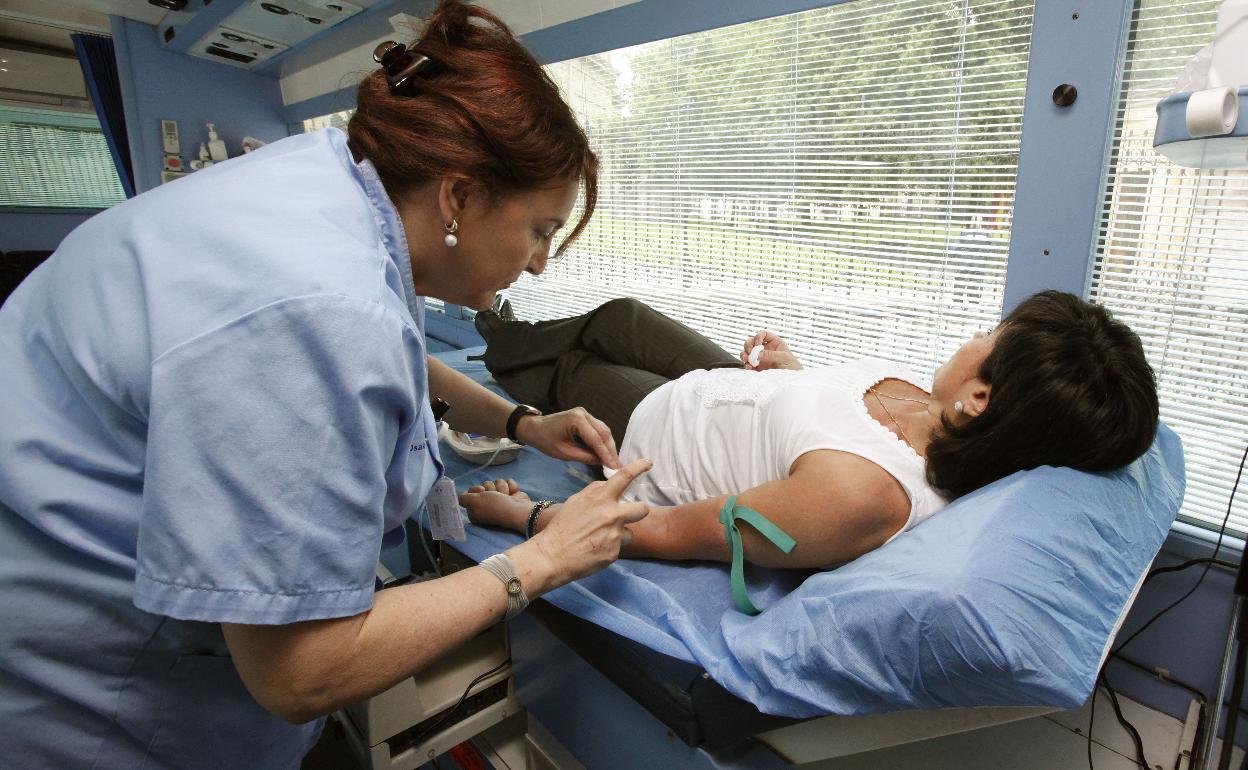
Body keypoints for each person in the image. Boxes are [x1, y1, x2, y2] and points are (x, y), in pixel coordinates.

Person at [0, 3, 652, 767]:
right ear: (460, 196)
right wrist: (543, 562)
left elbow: (395, 347)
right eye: (541, 230)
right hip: (94, 694)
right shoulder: (319, 302)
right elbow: (300, 672)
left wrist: (521, 424)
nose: (542, 262)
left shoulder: (327, 185)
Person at [461, 292, 1160, 581]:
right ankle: (503, 324)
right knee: (620, 314)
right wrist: (798, 375)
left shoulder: (857, 496)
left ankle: (491, 328)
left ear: (981, 399)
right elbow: (836, 423)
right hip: (732, 386)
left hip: (658, 425)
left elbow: (666, 533)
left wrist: (526, 517)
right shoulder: (939, 412)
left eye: (991, 337)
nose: (977, 332)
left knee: (568, 368)